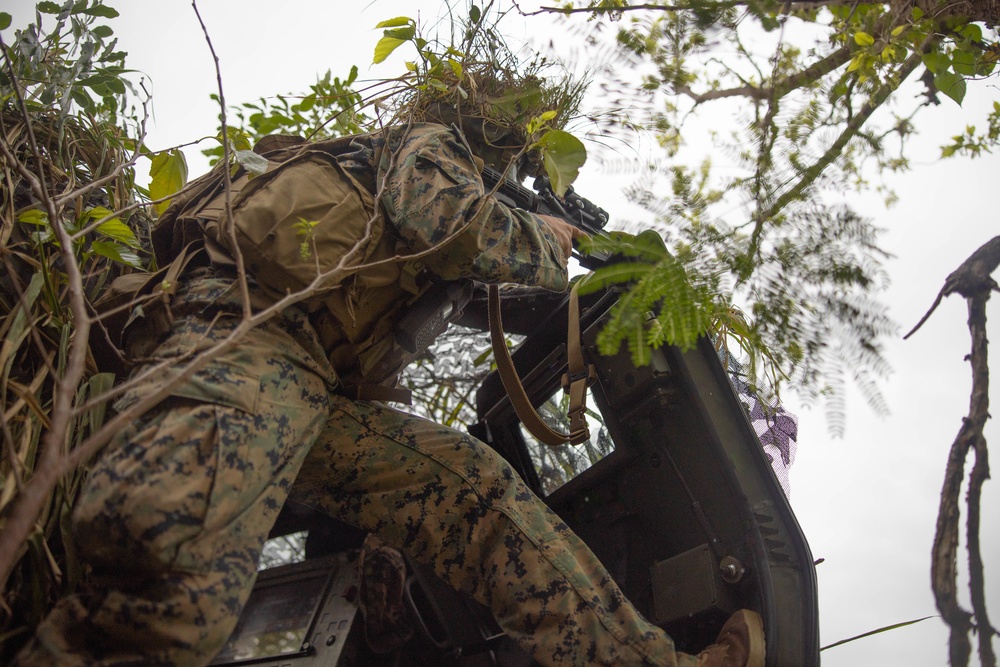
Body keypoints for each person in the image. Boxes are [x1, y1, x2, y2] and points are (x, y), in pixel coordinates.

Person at [15, 97, 765, 666]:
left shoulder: (410, 219)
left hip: (311, 386)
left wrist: (583, 272)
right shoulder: (429, 141)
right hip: (243, 336)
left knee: (479, 496)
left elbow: (459, 281)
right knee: (161, 578)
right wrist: (543, 236)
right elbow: (442, 217)